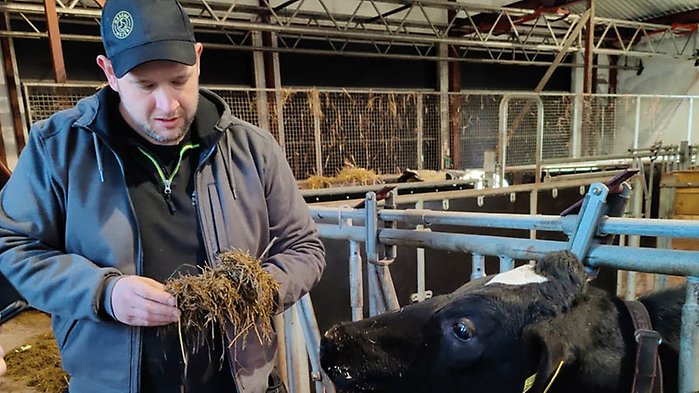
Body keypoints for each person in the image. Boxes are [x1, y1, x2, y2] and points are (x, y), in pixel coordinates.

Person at [0, 0, 325, 392]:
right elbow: (15, 245)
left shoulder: (252, 149)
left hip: (240, 384)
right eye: (146, 85)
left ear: (198, 59)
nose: (168, 105)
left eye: (179, 80)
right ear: (110, 73)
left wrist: (257, 290)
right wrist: (104, 293)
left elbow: (304, 247)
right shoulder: (58, 149)